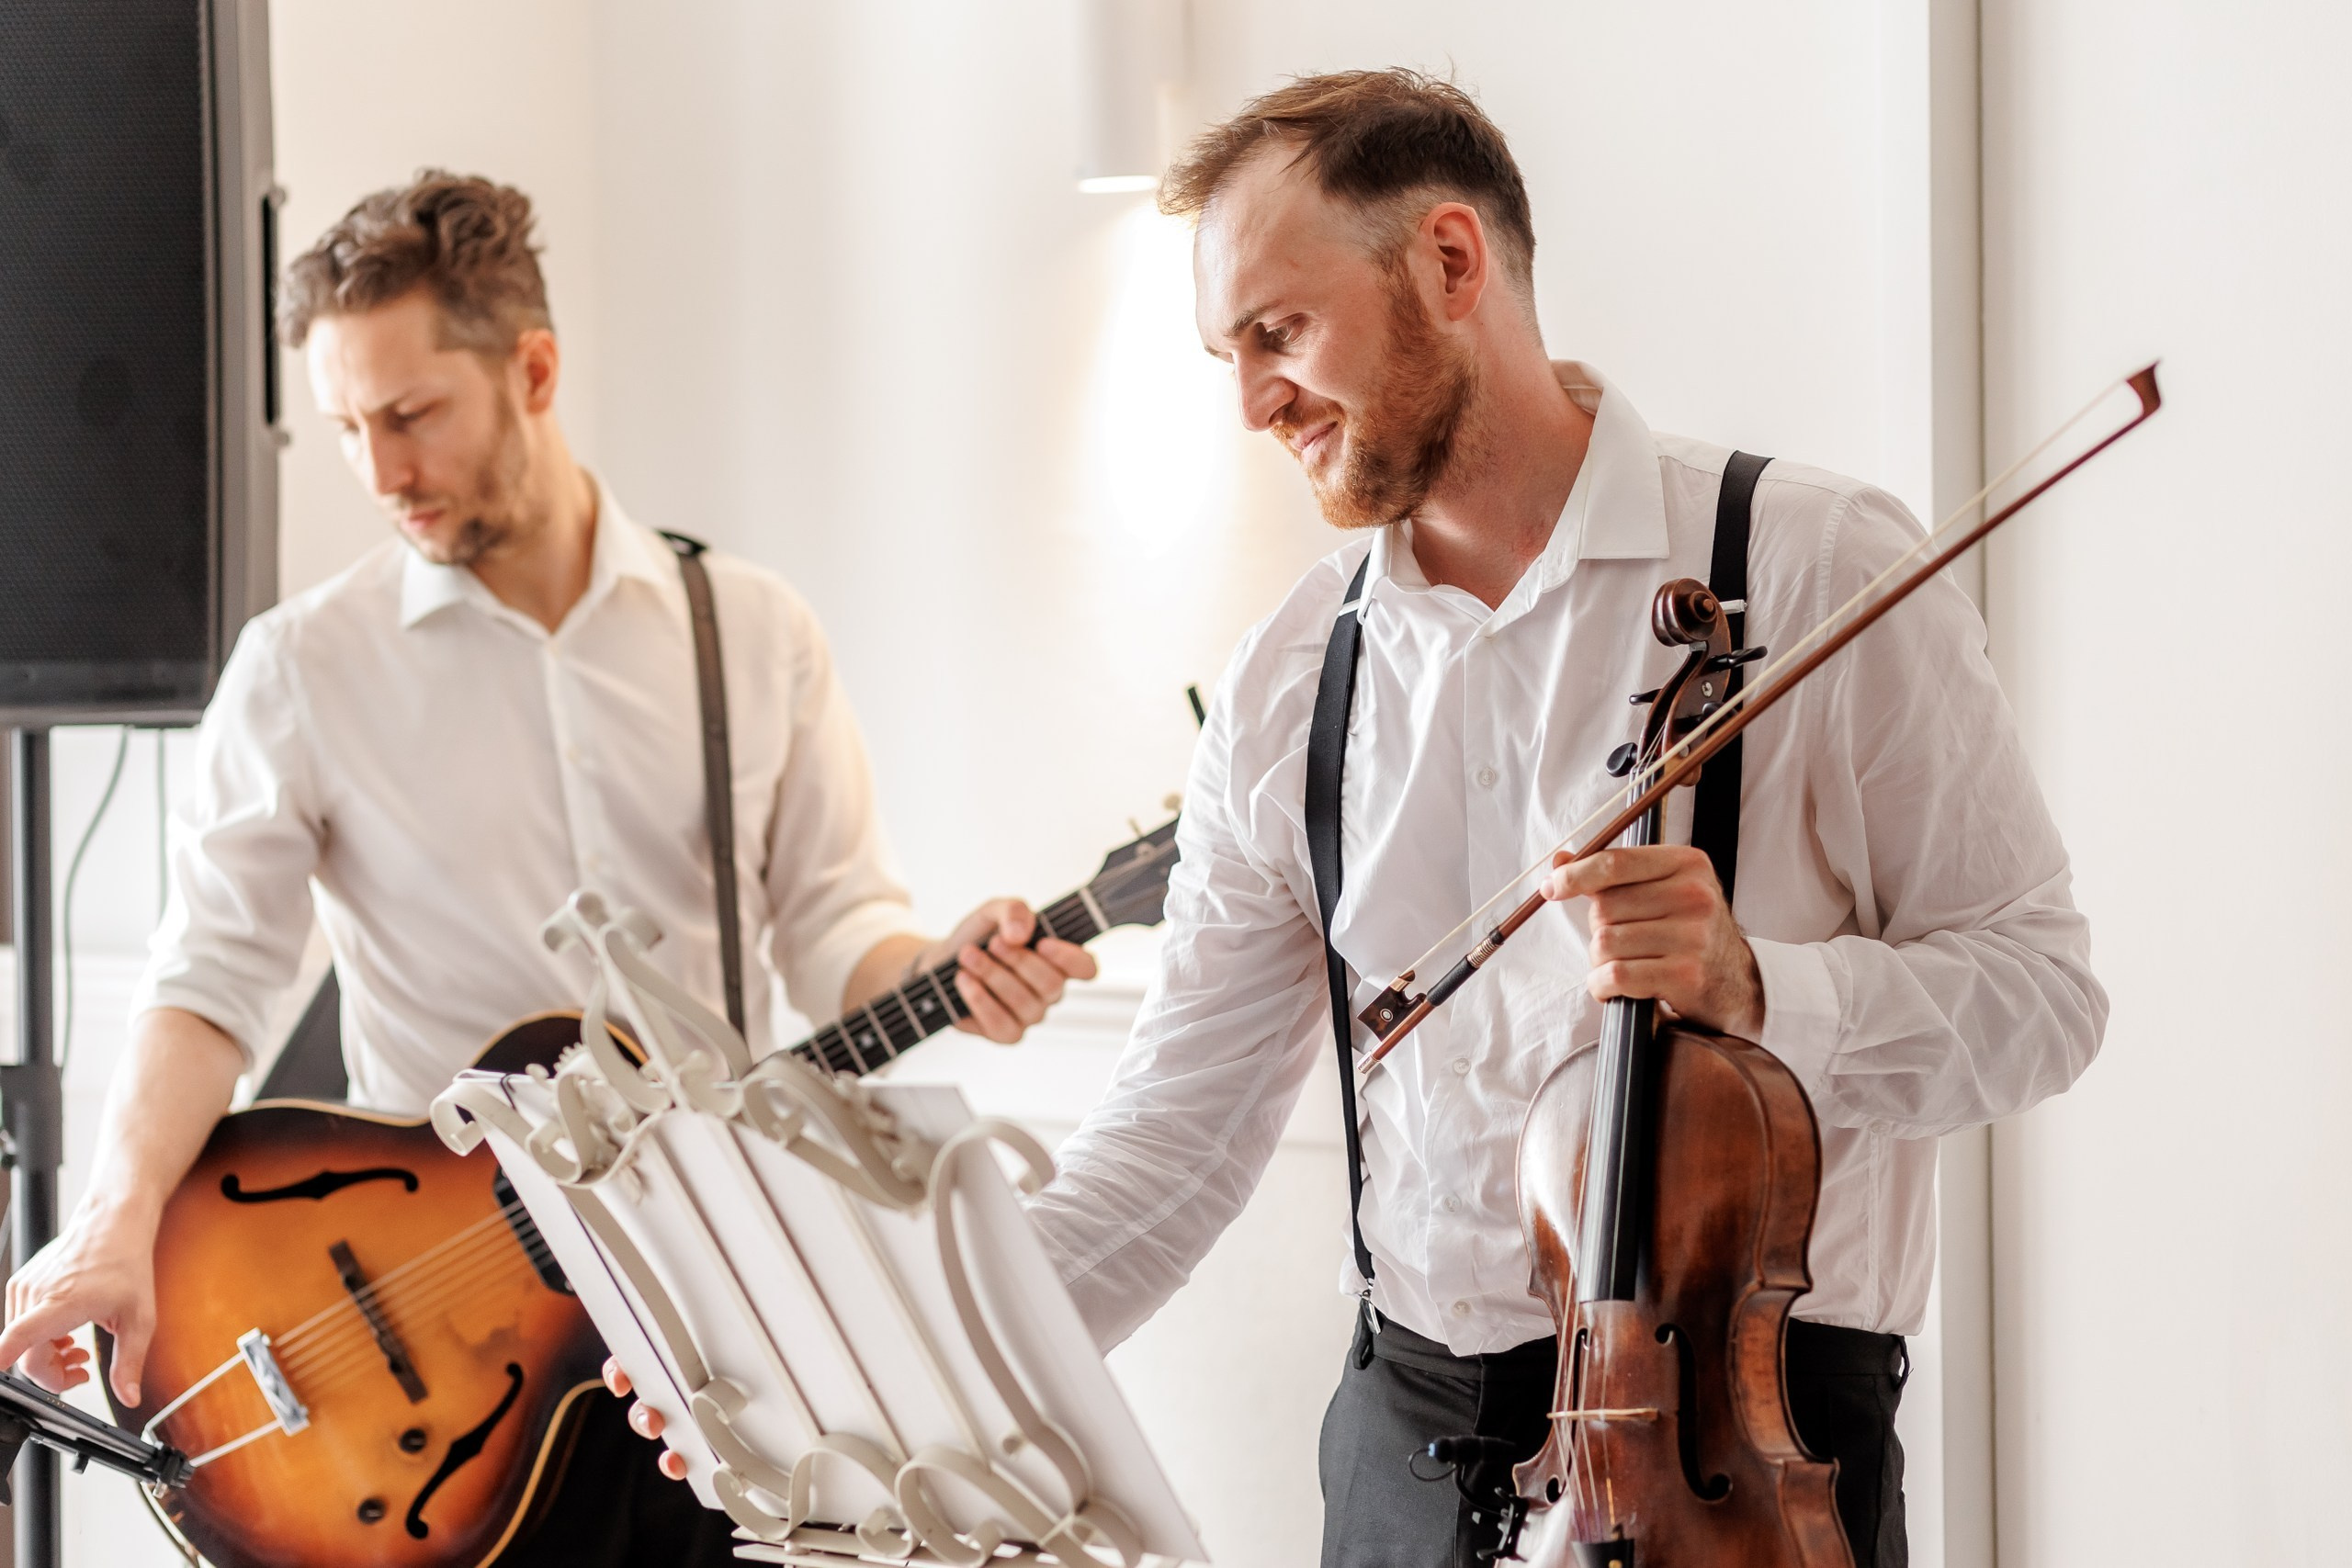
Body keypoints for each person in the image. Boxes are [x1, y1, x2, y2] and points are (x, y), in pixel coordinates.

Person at [1017, 72, 2103, 1568]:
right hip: (1402, 1459)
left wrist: (1762, 991)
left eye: (1279, 331)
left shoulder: (1809, 566)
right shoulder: (1288, 681)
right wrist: (866, 1372)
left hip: (1740, 1469)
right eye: (1230, 353)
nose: (1255, 398)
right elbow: (1173, 1137)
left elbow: (2044, 999)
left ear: (1451, 264)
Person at [0, 172, 1094, 1568]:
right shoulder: (302, 672)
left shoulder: (749, 634)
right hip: (440, 1369)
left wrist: (941, 972)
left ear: (534, 367)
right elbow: (208, 982)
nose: (382, 471)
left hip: (727, 1334)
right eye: (348, 429)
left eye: (411, 416)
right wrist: (111, 1221)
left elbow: (839, 929)